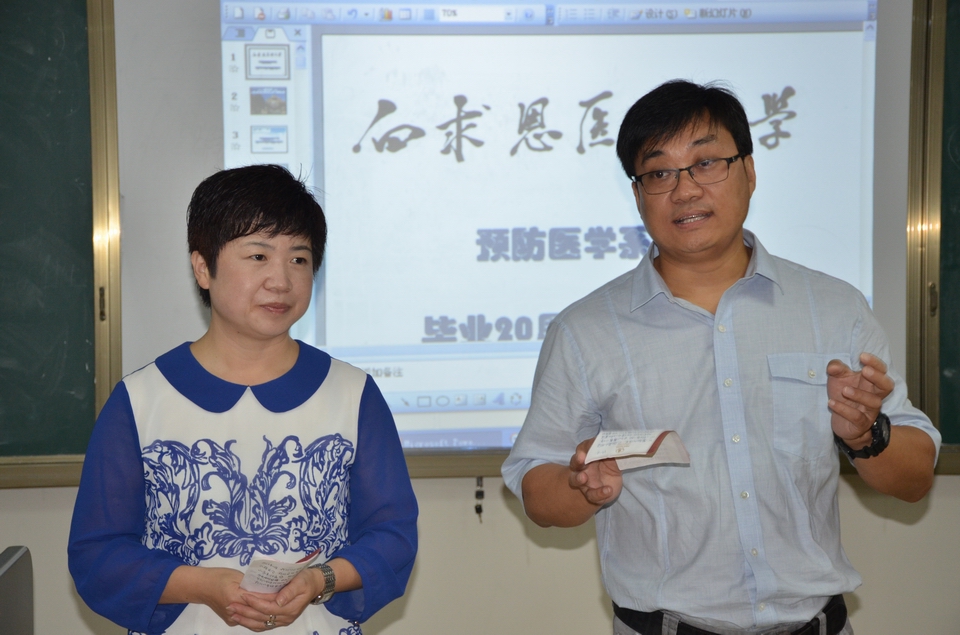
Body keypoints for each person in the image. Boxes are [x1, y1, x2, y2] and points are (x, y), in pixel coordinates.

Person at [501, 80, 940, 635]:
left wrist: (866, 434)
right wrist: (580, 487)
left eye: (707, 163)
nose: (685, 190)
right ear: (637, 195)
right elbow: (536, 487)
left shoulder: (833, 308)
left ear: (749, 172)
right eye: (659, 173)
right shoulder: (586, 331)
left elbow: (915, 477)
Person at [69, 164, 418, 634]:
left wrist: (320, 579)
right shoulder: (140, 400)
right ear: (203, 267)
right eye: (258, 256)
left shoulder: (353, 394)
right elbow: (97, 554)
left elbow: (393, 536)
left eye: (299, 259)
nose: (281, 281)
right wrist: (203, 585)